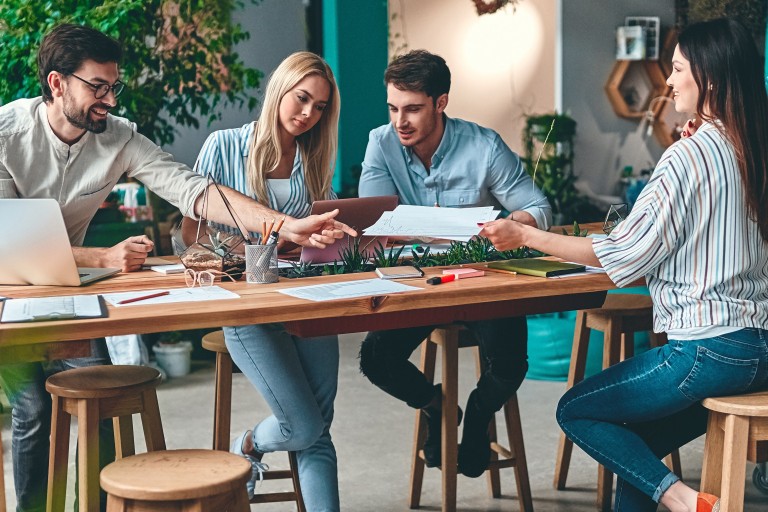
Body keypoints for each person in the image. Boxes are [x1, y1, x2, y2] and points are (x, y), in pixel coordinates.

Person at [0, 25, 352, 512]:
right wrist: (100, 258)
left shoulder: (119, 137)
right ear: (58, 84)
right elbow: (5, 241)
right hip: (10, 293)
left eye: (113, 86)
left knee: (98, 398)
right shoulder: (5, 134)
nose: (108, 99)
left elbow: (196, 191)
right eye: (96, 87)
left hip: (69, 291)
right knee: (34, 409)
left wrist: (284, 227)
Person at [480, 18, 768, 512]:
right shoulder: (753, 148)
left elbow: (619, 259)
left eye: (677, 70)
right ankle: (672, 494)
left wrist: (525, 235)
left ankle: (684, 501)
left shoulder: (688, 158)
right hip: (758, 351)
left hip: (706, 353)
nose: (669, 81)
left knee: (576, 410)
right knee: (639, 447)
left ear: (712, 82)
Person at [357, 49, 552, 477]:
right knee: (375, 359)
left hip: (480, 278)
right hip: (417, 283)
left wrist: (510, 225)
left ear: (440, 103)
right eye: (393, 108)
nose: (400, 121)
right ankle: (438, 405)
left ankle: (478, 416)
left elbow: (538, 207)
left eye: (412, 109)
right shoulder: (381, 143)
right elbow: (375, 222)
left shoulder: (483, 145)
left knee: (510, 364)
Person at [184, 52, 342, 511]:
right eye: (302, 99)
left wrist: (321, 238)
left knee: (318, 428)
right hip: (246, 304)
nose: (308, 114)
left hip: (306, 297)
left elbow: (311, 237)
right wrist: (253, 247)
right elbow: (191, 232)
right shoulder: (224, 145)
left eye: (320, 107)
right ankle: (249, 445)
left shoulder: (313, 159)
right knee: (303, 425)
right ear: (280, 89)